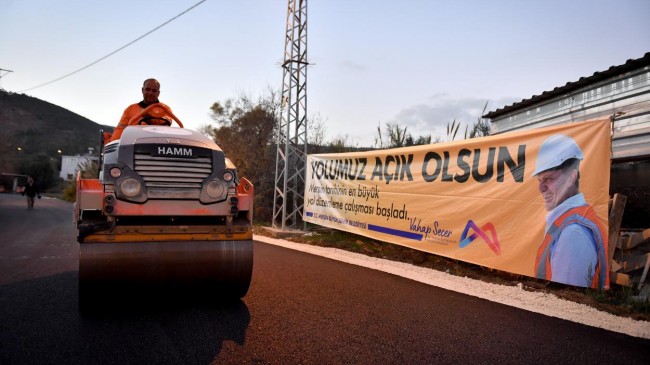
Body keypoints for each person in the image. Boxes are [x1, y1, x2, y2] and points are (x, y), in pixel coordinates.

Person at [532, 134, 609, 289]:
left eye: (549, 179)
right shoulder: (568, 220)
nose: (541, 188)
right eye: (540, 180)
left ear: (571, 177)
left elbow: (567, 295)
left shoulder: (574, 233)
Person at [107, 78, 172, 143]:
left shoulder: (165, 109)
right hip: (134, 146)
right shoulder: (130, 109)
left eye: (154, 90)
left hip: (157, 146)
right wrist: (112, 143)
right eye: (147, 89)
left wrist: (147, 116)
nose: (150, 93)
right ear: (142, 90)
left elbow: (165, 123)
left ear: (158, 93)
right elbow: (120, 130)